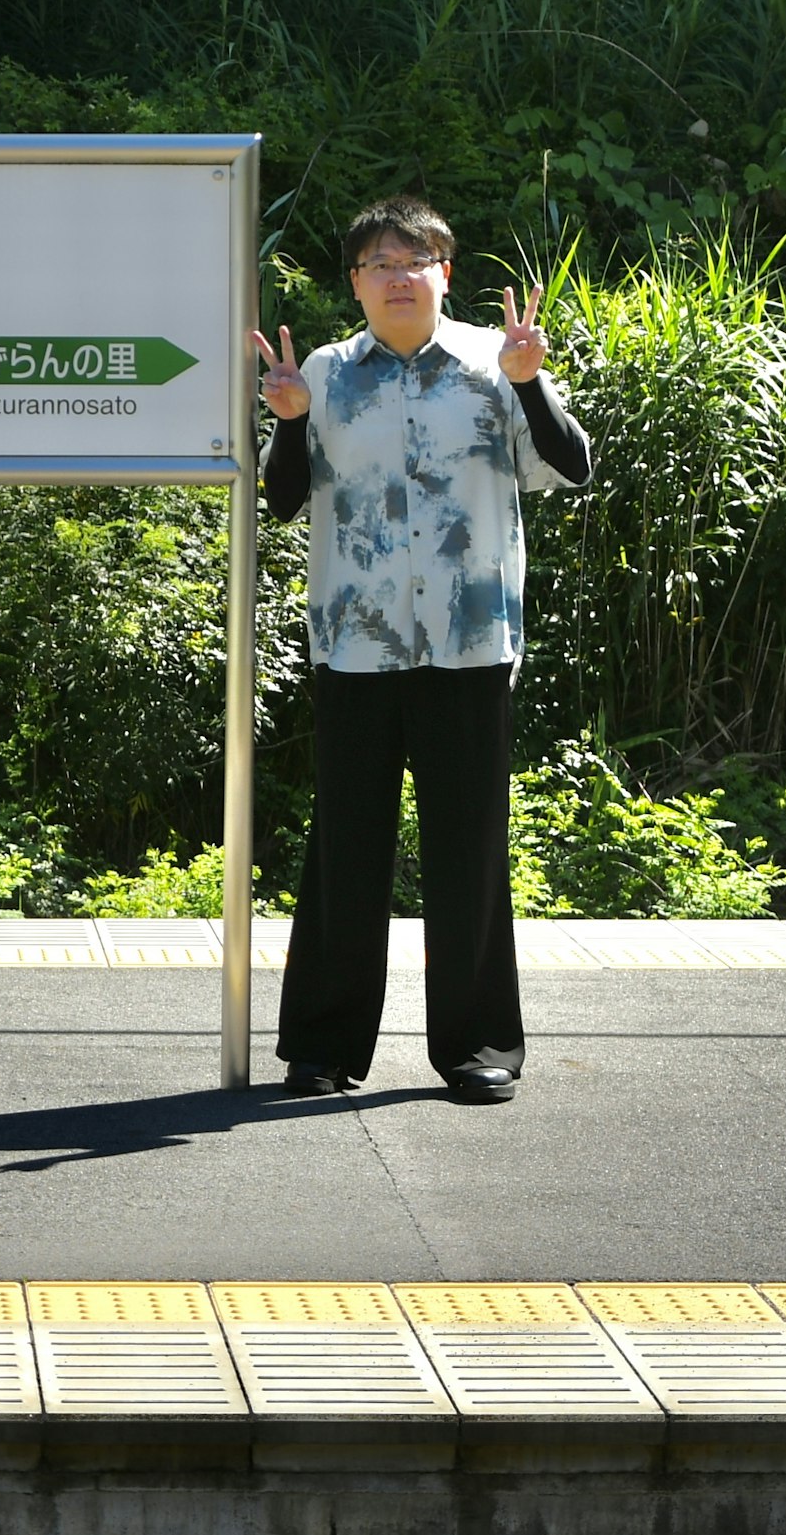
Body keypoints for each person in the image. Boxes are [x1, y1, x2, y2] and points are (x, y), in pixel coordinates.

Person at [253, 196, 592, 1102]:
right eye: (377, 263)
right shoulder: (323, 373)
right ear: (355, 283)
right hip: (356, 646)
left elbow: (572, 464)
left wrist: (531, 382)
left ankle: (479, 1048)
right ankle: (322, 1050)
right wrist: (288, 419)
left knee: (470, 848)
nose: (397, 276)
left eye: (415, 260)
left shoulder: (497, 360)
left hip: (470, 641)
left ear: (447, 273)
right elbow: (282, 499)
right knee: (344, 847)